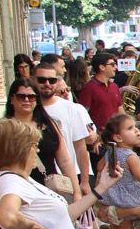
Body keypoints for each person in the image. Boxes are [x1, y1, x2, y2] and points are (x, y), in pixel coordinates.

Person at [35, 55, 95, 192]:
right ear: (33, 81)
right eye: (41, 80)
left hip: (70, 177)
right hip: (38, 180)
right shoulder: (28, 109)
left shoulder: (72, 108)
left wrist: (84, 182)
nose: (47, 84)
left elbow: (81, 149)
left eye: (51, 80)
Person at [4, 77, 76, 185]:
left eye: (31, 97)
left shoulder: (49, 125)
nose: (27, 100)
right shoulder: (2, 128)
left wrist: (76, 191)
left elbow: (65, 162)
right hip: (16, 190)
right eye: (21, 96)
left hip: (49, 190)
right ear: (12, 99)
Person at [78, 53, 123, 134]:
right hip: (99, 136)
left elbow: (119, 108)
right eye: (112, 65)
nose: (116, 67)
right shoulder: (89, 88)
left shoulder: (114, 86)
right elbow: (82, 115)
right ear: (102, 67)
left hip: (116, 133)